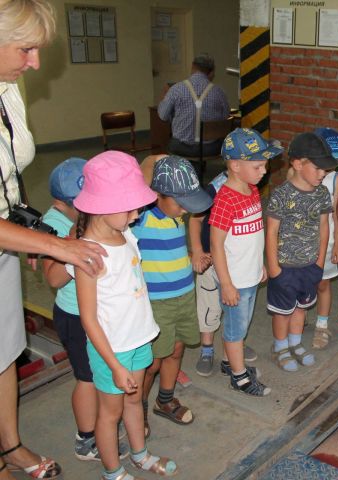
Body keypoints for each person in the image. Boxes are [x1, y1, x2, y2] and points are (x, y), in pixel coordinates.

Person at [0, 2, 105, 479]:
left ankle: (10, 445)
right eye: (26, 49)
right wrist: (56, 245)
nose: (35, 63)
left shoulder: (9, 85)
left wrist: (27, 234)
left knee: (4, 349)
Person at [71, 151, 177, 479]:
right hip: (111, 350)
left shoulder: (124, 233)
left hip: (138, 338)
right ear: (102, 206)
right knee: (110, 413)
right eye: (130, 207)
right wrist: (115, 366)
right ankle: (112, 471)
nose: (137, 213)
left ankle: (140, 454)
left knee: (134, 403)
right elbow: (88, 318)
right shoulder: (89, 253)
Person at [41, 158, 131, 463]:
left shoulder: (82, 217)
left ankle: (100, 424)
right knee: (87, 378)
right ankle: (86, 437)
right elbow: (53, 277)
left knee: (99, 374)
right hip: (74, 316)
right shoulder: (56, 224)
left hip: (96, 311)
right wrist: (74, 247)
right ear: (72, 202)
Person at [132, 156, 212, 435]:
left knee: (177, 349)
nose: (184, 210)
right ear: (157, 195)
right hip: (156, 302)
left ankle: (163, 401)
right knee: (151, 361)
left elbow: (170, 251)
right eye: (179, 202)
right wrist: (157, 160)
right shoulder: (140, 218)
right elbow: (139, 175)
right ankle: (137, 410)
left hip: (184, 296)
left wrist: (192, 257)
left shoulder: (177, 217)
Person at [209, 128, 281, 395]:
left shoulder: (251, 191)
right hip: (234, 281)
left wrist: (260, 264)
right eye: (258, 166)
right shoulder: (225, 200)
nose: (264, 171)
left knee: (243, 323)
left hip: (249, 274)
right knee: (235, 330)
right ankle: (239, 376)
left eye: (264, 165)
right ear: (235, 166)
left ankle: (230, 362)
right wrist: (226, 284)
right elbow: (216, 245)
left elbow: (254, 234)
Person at [266, 132, 335, 370]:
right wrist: (274, 268)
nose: (323, 173)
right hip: (285, 266)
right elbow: (272, 232)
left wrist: (319, 263)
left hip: (309, 266)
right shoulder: (281, 195)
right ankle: (280, 347)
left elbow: (324, 228)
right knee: (283, 312)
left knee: (301, 308)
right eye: (318, 168)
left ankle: (295, 343)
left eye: (325, 169)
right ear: (297, 164)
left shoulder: (322, 193)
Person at [310, 127, 338, 350]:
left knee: (323, 283)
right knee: (301, 283)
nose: (333, 164)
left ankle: (322, 325)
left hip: (327, 243)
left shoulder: (336, 179)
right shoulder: (298, 176)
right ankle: (298, 316)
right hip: (302, 242)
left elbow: (336, 212)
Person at [158, 53, 230, 158]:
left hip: (181, 147)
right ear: (211, 72)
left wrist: (163, 98)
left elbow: (163, 116)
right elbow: (225, 117)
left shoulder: (176, 89)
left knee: (172, 142)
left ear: (192, 66)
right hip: (211, 148)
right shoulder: (219, 92)